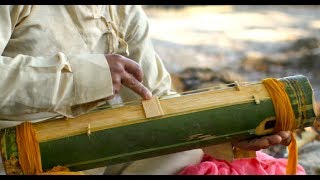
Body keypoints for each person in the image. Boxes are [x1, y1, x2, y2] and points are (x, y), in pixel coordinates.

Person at [0, 5, 294, 175]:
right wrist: (86, 77)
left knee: (184, 154)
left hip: (90, 153)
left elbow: (158, 103)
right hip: (10, 152)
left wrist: (231, 134)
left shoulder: (122, 10)